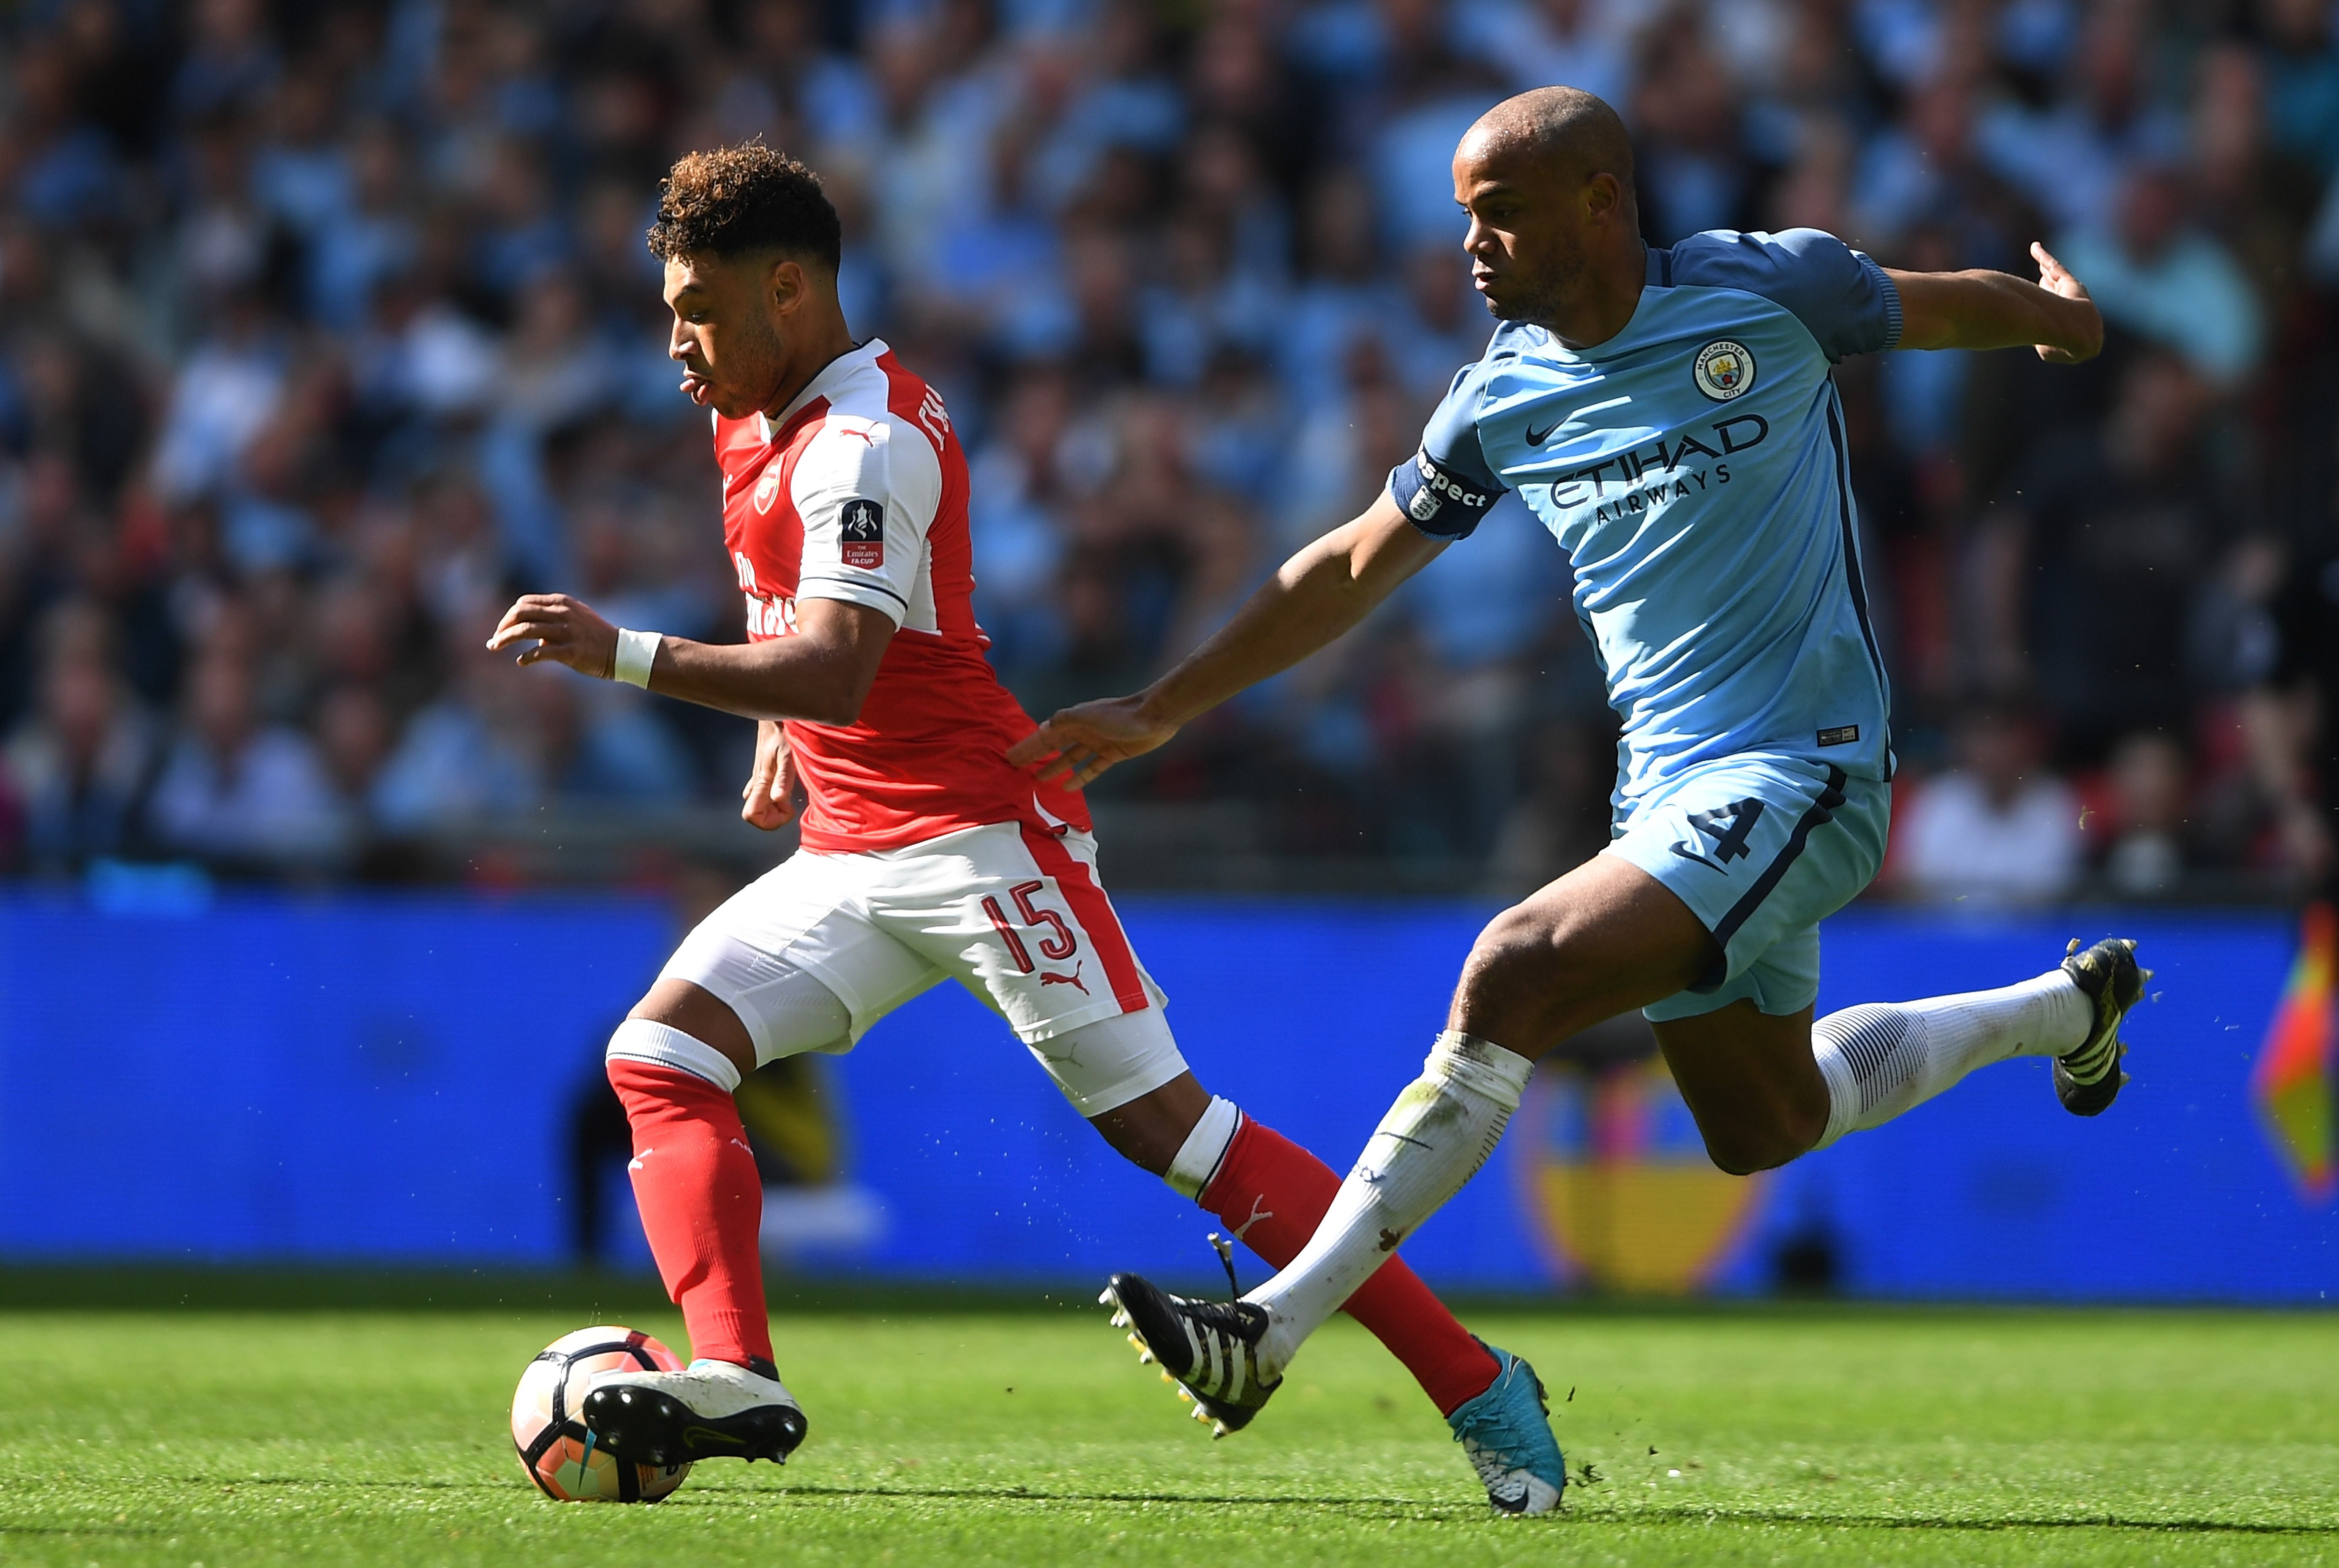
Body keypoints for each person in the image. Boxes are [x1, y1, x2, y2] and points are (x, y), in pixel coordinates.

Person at [1009, 88, 2152, 1514]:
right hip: (1666, 799)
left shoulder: (1765, 286)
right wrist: (1169, 702)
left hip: (1806, 767)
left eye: (1498, 210)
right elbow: (1354, 563)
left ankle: (1273, 1326)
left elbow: (1948, 303)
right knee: (1764, 1124)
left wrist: (2065, 319)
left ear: (1601, 202)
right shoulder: (1498, 395)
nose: (1472, 244)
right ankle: (2066, 1014)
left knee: (1514, 969)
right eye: (1462, 215)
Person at [484, 144, 1557, 1514]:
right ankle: (739, 1371)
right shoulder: (750, 414)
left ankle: (1478, 1383)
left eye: (698, 307)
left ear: (793, 290)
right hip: (855, 850)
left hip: (986, 838)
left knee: (1178, 1135)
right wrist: (779, 735)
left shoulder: (868, 438)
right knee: (662, 1053)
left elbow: (838, 664)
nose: (675, 341)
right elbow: (804, 629)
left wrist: (624, 653)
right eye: (669, 307)